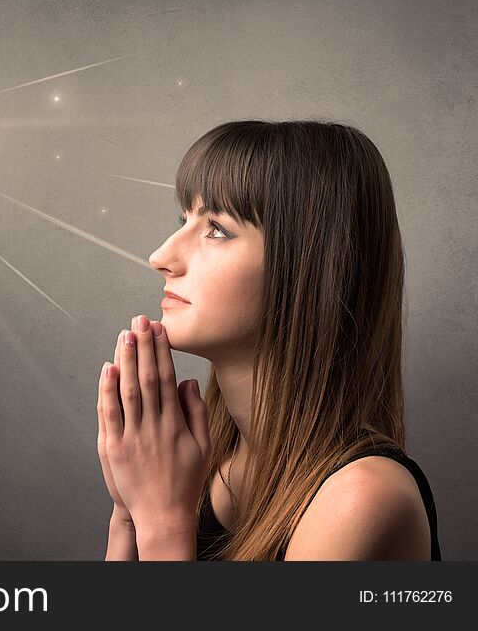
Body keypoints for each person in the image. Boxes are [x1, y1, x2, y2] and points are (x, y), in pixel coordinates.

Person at [96, 120, 441, 561]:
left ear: (310, 267)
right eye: (185, 219)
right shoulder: (205, 461)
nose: (160, 257)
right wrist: (128, 514)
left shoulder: (361, 501)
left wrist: (162, 522)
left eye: (217, 229)